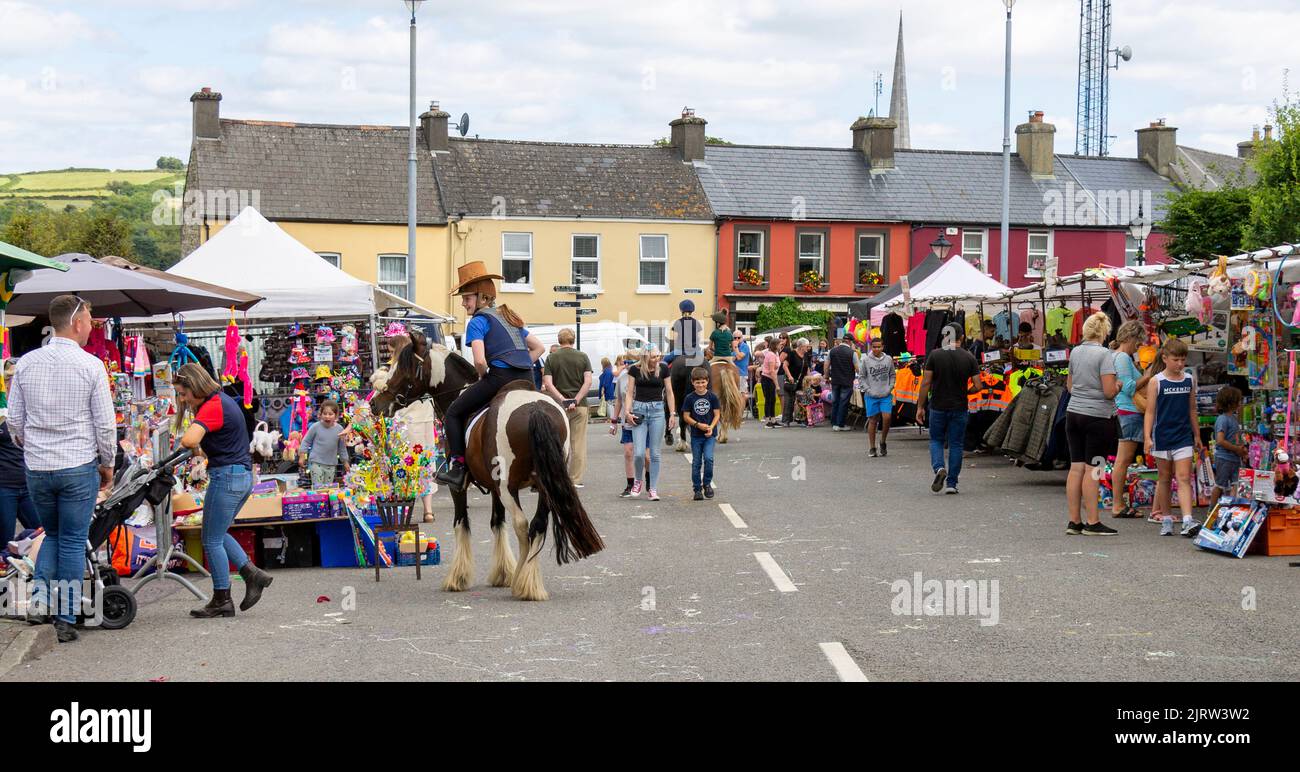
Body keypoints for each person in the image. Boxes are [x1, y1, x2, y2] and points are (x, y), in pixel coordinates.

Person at [8, 295, 116, 642]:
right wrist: (108, 463)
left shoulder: (26, 363)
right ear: (77, 322)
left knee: (51, 534)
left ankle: (39, 600)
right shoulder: (90, 366)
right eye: (88, 319)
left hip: (38, 467)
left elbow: (15, 421)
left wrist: (30, 445)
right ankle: (65, 617)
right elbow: (105, 425)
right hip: (77, 465)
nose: (90, 326)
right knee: (71, 540)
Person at [173, 363, 274, 617]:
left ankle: (222, 598)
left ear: (195, 386)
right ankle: (252, 574)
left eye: (183, 393)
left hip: (227, 477)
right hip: (240, 476)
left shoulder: (213, 406)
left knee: (211, 539)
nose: (182, 399)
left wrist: (188, 440)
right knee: (217, 532)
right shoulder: (221, 401)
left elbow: (189, 440)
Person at [436, 262, 546, 490]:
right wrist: (522, 364)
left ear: (483, 298)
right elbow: (539, 348)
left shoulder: (477, 321)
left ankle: (457, 467)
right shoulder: (509, 318)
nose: (463, 303)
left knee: (454, 412)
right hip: (527, 380)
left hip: (500, 379)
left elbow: (479, 360)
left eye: (467, 298)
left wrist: (483, 376)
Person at [1063, 312, 1121, 536]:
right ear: (1104, 332)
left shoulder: (1076, 352)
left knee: (1076, 467)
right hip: (1097, 417)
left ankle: (1074, 521)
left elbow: (1070, 386)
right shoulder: (1104, 354)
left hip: (1073, 413)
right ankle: (1093, 521)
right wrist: (1119, 385)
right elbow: (1108, 392)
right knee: (1094, 468)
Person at [1143, 338, 1201, 536]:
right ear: (1165, 358)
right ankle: (1166, 518)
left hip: (1183, 436)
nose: (1180, 364)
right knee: (1165, 478)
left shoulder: (1188, 379)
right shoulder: (1156, 381)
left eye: (1183, 360)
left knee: (1184, 477)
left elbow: (1192, 409)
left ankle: (1187, 519)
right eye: (1176, 359)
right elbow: (1150, 412)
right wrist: (1147, 437)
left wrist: (1197, 435)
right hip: (1162, 436)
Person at [915, 324, 979, 494]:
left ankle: (938, 468)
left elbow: (926, 383)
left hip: (938, 406)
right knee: (956, 444)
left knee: (936, 440)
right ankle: (952, 483)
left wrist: (920, 407)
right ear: (962, 337)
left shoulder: (935, 355)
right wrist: (966, 391)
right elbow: (978, 385)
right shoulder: (969, 357)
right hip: (959, 406)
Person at [1110, 321, 1155, 518]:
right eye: (1138, 340)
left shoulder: (1120, 357)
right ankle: (1118, 505)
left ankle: (1119, 503)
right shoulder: (1121, 358)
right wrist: (1147, 375)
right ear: (1130, 338)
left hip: (1126, 412)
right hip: (1128, 411)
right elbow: (1128, 388)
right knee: (1123, 460)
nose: (1140, 344)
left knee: (1124, 460)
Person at [543, 328, 593, 488]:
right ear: (573, 339)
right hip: (580, 406)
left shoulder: (551, 358)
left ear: (559, 340)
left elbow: (548, 383)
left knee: (557, 442)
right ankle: (574, 479)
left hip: (558, 407)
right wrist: (576, 400)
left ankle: (557, 477)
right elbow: (588, 382)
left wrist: (563, 399)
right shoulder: (583, 357)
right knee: (577, 443)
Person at [623, 347, 676, 501]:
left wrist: (672, 414)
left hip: (657, 411)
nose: (656, 359)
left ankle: (653, 489)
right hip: (639, 410)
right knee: (639, 453)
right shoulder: (635, 370)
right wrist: (627, 411)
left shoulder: (664, 369)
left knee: (654, 454)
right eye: (653, 357)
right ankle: (638, 481)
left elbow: (669, 391)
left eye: (658, 356)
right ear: (645, 357)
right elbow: (629, 392)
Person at [0, 362, 37, 542]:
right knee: (4, 540)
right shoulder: (2, 410)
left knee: (40, 534)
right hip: (4, 486)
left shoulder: (26, 405)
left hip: (28, 483)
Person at [682, 367, 720, 501]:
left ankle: (707, 484)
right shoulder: (689, 398)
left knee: (709, 459)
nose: (700, 385)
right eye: (697, 382)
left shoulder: (712, 396)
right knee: (696, 462)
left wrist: (711, 427)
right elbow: (686, 416)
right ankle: (697, 489)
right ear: (692, 382)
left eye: (703, 382)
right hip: (696, 435)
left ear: (707, 381)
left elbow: (717, 414)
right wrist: (697, 425)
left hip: (710, 435)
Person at [299, 399, 350, 489]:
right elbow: (306, 441)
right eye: (325, 414)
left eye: (330, 414)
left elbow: (342, 448)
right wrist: (302, 455)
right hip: (316, 462)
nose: (327, 417)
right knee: (318, 487)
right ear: (320, 414)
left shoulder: (339, 429)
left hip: (331, 464)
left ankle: (324, 503)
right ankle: (317, 500)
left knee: (327, 488)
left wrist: (345, 462)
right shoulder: (315, 427)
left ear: (336, 416)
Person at [1210, 386, 1248, 505]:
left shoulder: (1233, 419)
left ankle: (1233, 508)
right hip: (1224, 458)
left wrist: (1242, 450)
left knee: (1236, 484)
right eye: (1239, 400)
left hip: (1234, 458)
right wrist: (1237, 449)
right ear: (1232, 403)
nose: (1240, 403)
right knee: (1220, 485)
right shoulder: (1222, 419)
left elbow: (1235, 438)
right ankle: (1211, 511)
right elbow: (1220, 440)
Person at [860, 337, 896, 454]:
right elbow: (862, 377)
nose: (876, 349)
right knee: (873, 420)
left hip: (885, 394)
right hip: (871, 395)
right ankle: (872, 447)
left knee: (887, 417)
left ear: (883, 347)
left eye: (879, 347)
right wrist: (868, 390)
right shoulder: (866, 360)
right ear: (871, 347)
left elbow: (892, 375)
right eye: (874, 347)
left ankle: (883, 441)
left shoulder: (888, 359)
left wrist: (890, 387)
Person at [827, 335, 857, 432]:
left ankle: (834, 422)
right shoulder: (852, 353)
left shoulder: (832, 351)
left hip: (835, 380)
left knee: (835, 401)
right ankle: (840, 424)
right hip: (847, 381)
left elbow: (826, 364)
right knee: (843, 402)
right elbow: (858, 368)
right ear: (850, 342)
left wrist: (826, 375)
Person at [779, 338, 810, 427]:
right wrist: (789, 376)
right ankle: (786, 420)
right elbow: (785, 365)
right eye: (806, 346)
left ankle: (801, 419)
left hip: (802, 381)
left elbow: (807, 367)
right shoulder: (792, 353)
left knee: (802, 400)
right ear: (801, 346)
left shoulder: (805, 355)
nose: (807, 348)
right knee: (789, 400)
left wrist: (809, 377)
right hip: (791, 381)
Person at [665, 300, 705, 367]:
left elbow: (675, 340)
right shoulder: (697, 322)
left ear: (681, 310)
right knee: (706, 363)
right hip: (695, 351)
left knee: (664, 360)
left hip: (681, 350)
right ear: (692, 311)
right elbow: (699, 338)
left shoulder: (677, 323)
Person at [758, 337, 780, 427]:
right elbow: (771, 371)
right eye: (779, 344)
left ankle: (773, 419)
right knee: (768, 399)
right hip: (767, 378)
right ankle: (768, 420)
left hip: (770, 378)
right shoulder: (771, 355)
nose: (780, 346)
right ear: (775, 345)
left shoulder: (775, 354)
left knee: (773, 399)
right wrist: (777, 384)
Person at [733, 332, 752, 416]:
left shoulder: (745, 346)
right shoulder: (732, 347)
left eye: (738, 337)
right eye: (735, 338)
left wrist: (736, 347)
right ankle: (736, 413)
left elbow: (739, 357)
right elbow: (732, 358)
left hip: (742, 374)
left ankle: (740, 415)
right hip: (733, 373)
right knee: (735, 394)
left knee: (743, 394)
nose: (736, 339)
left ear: (742, 338)